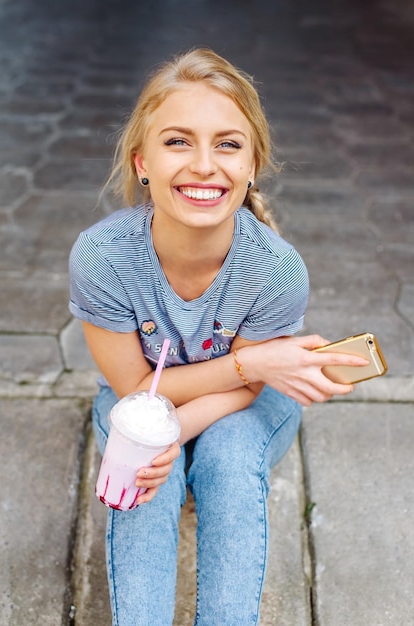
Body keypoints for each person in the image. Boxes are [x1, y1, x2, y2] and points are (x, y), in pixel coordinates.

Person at [69, 48, 368, 626]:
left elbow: (251, 390)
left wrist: (177, 429)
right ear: (142, 163)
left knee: (229, 456)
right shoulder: (102, 257)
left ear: (253, 165)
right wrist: (247, 367)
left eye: (228, 144)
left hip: (249, 404)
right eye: (178, 141)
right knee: (138, 463)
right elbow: (135, 385)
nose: (205, 164)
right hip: (139, 398)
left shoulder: (277, 269)